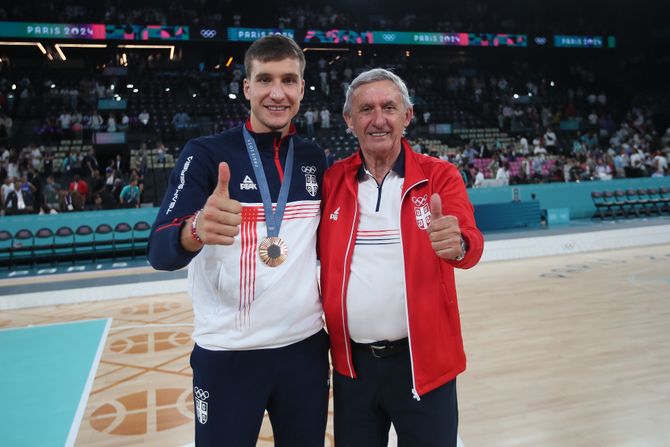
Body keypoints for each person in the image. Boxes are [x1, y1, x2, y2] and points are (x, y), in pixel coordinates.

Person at [147, 35, 329, 447]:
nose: (277, 93)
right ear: (246, 88)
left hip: (305, 350)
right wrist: (195, 230)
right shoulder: (206, 154)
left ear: (302, 88)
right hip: (227, 354)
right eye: (265, 79)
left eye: (289, 80)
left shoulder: (314, 158)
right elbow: (158, 250)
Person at [318, 68, 484, 447]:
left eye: (389, 107)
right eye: (366, 110)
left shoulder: (439, 176)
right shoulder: (333, 181)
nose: (378, 119)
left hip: (424, 365)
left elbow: (470, 243)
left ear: (407, 116)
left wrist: (455, 244)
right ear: (348, 120)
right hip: (352, 369)